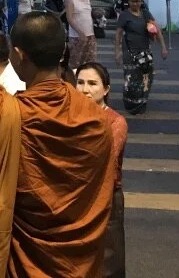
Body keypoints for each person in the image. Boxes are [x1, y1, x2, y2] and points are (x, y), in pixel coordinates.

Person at [0, 11, 113, 277]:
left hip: (21, 258)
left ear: (18, 54)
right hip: (79, 262)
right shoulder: (96, 119)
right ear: (62, 52)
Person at [76, 62, 128, 278]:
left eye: (92, 83)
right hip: (77, 196)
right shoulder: (71, 116)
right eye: (80, 82)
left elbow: (104, 162)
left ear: (106, 89)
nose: (85, 89)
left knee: (108, 262)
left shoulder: (116, 122)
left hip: (106, 198)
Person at [114, 0, 169, 115]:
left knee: (146, 78)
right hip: (130, 52)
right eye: (133, 1)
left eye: (138, 1)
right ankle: (131, 104)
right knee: (131, 79)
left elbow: (157, 30)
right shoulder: (124, 15)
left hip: (145, 51)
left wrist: (163, 48)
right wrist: (117, 52)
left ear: (142, 1)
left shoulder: (145, 13)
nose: (135, 4)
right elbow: (118, 34)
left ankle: (141, 102)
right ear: (128, 2)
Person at [64, 0, 96, 71]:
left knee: (90, 62)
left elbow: (88, 15)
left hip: (90, 34)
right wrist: (80, 32)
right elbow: (69, 18)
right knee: (75, 62)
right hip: (76, 36)